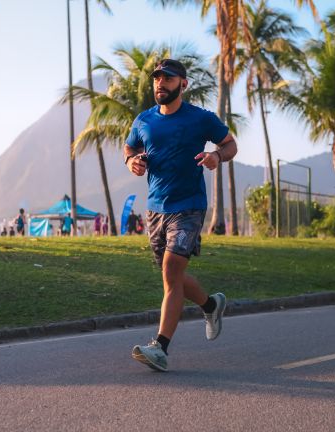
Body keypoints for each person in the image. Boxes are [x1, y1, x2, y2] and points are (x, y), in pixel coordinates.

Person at [124, 58, 238, 371]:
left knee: (172, 270)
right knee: (170, 275)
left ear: (183, 84)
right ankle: (211, 305)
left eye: (168, 78)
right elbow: (129, 148)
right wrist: (131, 162)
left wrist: (216, 155)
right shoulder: (143, 120)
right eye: (157, 78)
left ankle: (159, 347)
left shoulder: (200, 119)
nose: (161, 83)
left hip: (189, 205)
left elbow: (230, 145)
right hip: (156, 208)